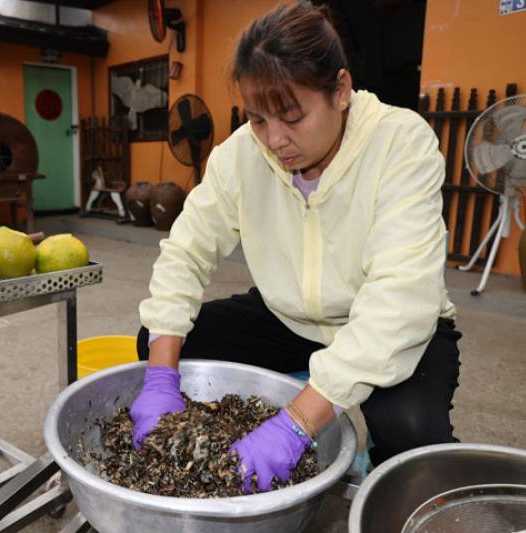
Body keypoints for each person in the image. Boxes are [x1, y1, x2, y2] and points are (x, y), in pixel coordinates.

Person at [130, 2, 462, 493]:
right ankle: (266, 415)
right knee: (162, 341)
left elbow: (400, 296)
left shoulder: (400, 143)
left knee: (411, 437)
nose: (275, 141)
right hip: (289, 318)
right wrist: (160, 376)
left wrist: (297, 424)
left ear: (342, 90)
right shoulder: (242, 154)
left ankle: (326, 426)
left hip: (396, 325)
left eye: (292, 116)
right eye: (258, 119)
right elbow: (187, 250)